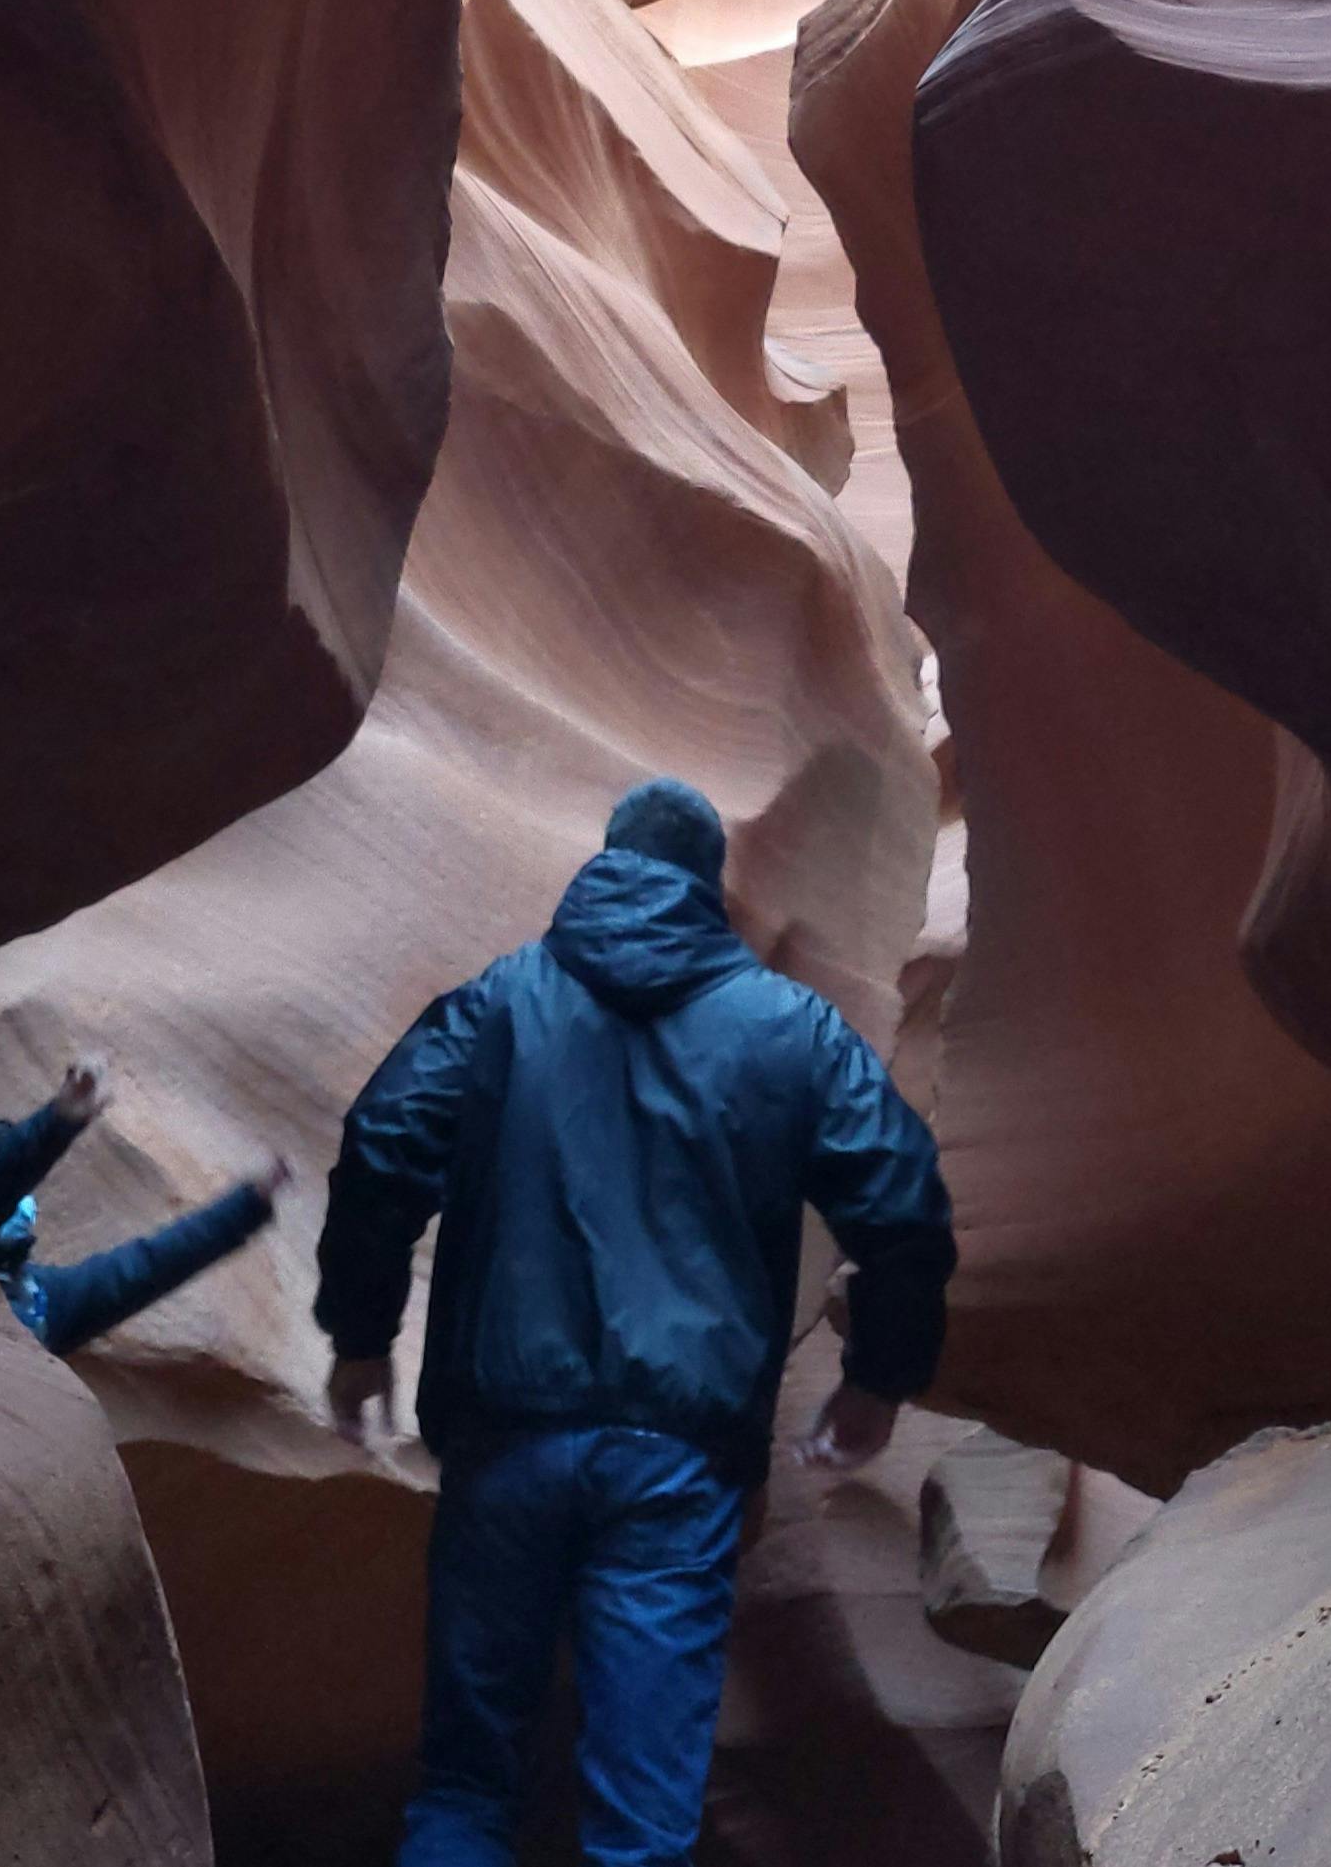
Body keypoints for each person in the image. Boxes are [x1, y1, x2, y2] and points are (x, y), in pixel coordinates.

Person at [315, 777, 957, 1867]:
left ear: (608, 866)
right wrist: (878, 1377)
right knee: (642, 1824)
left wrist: (362, 1339)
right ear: (707, 887)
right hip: (675, 1465)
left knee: (468, 1786)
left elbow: (381, 1150)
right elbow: (902, 1203)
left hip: (506, 1442)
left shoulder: (500, 1005)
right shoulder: (790, 1030)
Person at [0, 1057, 287, 1357]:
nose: (24, 1207)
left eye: (25, 1196)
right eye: (15, 1197)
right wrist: (56, 1124)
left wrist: (247, 1206)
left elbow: (146, 1267)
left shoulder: (39, 1300)